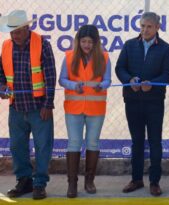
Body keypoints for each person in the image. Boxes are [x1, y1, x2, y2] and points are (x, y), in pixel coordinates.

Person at [115, 12, 169, 197]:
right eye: (142, 26)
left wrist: (153, 83)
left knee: (155, 142)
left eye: (149, 26)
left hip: (154, 102)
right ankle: (137, 179)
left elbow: (168, 74)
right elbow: (120, 68)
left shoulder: (166, 48)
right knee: (137, 141)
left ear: (157, 27)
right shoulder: (130, 45)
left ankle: (154, 182)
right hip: (132, 101)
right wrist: (129, 79)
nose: (145, 30)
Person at [0, 10, 56, 200]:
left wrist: (48, 104)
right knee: (17, 146)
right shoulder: (6, 46)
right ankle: (24, 181)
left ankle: (39, 184)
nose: (14, 35)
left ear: (27, 28)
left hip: (39, 107)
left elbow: (50, 75)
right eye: (12, 31)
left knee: (43, 147)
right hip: (16, 107)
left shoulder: (42, 44)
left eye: (18, 31)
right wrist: (1, 88)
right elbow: (1, 74)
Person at [58, 24, 111, 198]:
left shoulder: (104, 57)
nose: (87, 45)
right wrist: (74, 85)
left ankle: (89, 181)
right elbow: (62, 79)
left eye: (90, 41)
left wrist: (101, 85)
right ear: (78, 41)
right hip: (74, 108)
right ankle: (72, 184)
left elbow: (108, 80)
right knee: (74, 143)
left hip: (96, 109)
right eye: (83, 41)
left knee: (93, 143)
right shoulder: (69, 57)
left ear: (96, 42)